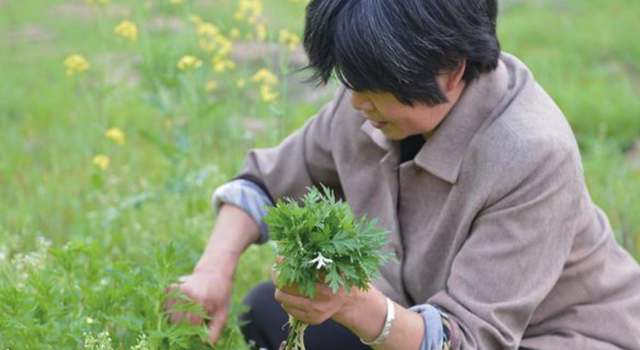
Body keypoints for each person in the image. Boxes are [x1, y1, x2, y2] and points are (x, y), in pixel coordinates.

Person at [168, 0, 640, 349]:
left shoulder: (531, 153)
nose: (356, 101)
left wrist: (356, 306)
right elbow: (266, 184)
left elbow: (470, 339)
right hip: (416, 316)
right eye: (351, 80)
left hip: (555, 335)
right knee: (267, 314)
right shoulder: (367, 104)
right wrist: (213, 271)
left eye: (374, 86)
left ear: (452, 70)